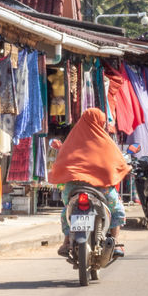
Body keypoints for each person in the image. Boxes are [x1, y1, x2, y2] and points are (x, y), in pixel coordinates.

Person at [47, 108, 130, 257]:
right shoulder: (104, 140)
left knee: (67, 210)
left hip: (73, 188)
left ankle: (66, 242)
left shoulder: (71, 139)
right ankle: (116, 242)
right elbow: (117, 161)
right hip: (100, 187)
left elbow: (61, 162)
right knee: (117, 210)